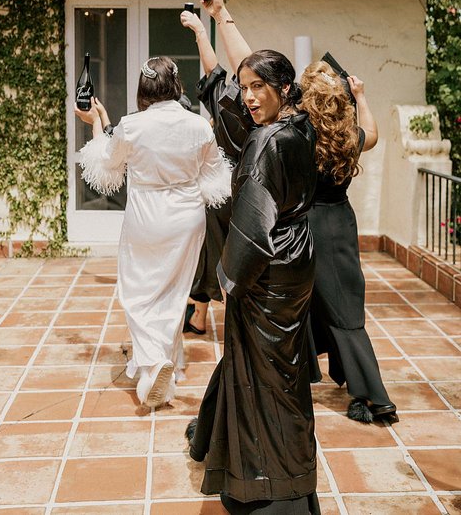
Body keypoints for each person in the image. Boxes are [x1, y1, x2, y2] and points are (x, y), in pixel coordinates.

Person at [188, 50, 320, 514]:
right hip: (297, 259)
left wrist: (228, 277)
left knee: (264, 379)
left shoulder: (268, 142)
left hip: (266, 274)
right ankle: (289, 475)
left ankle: (271, 488)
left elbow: (251, 224)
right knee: (284, 373)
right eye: (243, 87)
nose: (247, 97)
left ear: (283, 88)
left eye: (256, 87)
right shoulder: (301, 127)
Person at [76, 57, 231, 408]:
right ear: (176, 87)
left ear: (143, 89)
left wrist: (96, 126)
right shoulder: (199, 126)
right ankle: (168, 366)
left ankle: (151, 366)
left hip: (147, 214)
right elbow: (216, 176)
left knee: (137, 292)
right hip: (189, 216)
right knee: (174, 292)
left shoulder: (131, 126)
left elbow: (106, 168)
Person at [300, 62, 395, 423]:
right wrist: (361, 95)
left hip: (307, 224)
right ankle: (339, 371)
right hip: (340, 221)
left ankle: (372, 393)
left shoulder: (300, 135)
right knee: (338, 299)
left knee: (339, 307)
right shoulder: (348, 136)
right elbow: (373, 132)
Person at [179, 0, 254, 334]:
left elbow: (214, 70)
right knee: (218, 253)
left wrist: (201, 28)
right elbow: (218, 69)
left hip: (223, 191)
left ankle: (199, 311)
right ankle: (201, 312)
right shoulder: (241, 104)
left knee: (209, 252)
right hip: (236, 192)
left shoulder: (232, 105)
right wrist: (203, 26)